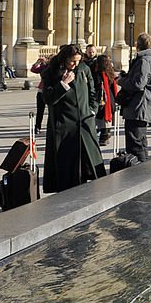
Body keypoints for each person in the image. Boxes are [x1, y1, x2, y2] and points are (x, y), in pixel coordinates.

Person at [42, 44, 104, 193]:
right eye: (72, 61)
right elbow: (48, 98)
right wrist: (63, 84)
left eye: (78, 61)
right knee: (67, 167)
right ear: (64, 59)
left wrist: (92, 110)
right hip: (64, 125)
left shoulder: (83, 69)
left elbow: (93, 91)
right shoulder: (51, 72)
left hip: (84, 122)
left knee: (89, 162)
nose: (75, 64)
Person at [118, 34, 151, 164]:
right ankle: (143, 167)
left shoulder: (144, 61)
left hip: (138, 106)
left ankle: (138, 171)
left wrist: (121, 81)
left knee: (135, 143)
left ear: (137, 46)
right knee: (140, 141)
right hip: (143, 106)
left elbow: (138, 84)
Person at [93, 54, 119, 146]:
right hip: (110, 97)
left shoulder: (98, 73)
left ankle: (104, 135)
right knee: (106, 118)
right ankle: (106, 134)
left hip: (103, 98)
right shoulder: (110, 72)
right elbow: (114, 86)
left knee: (101, 117)